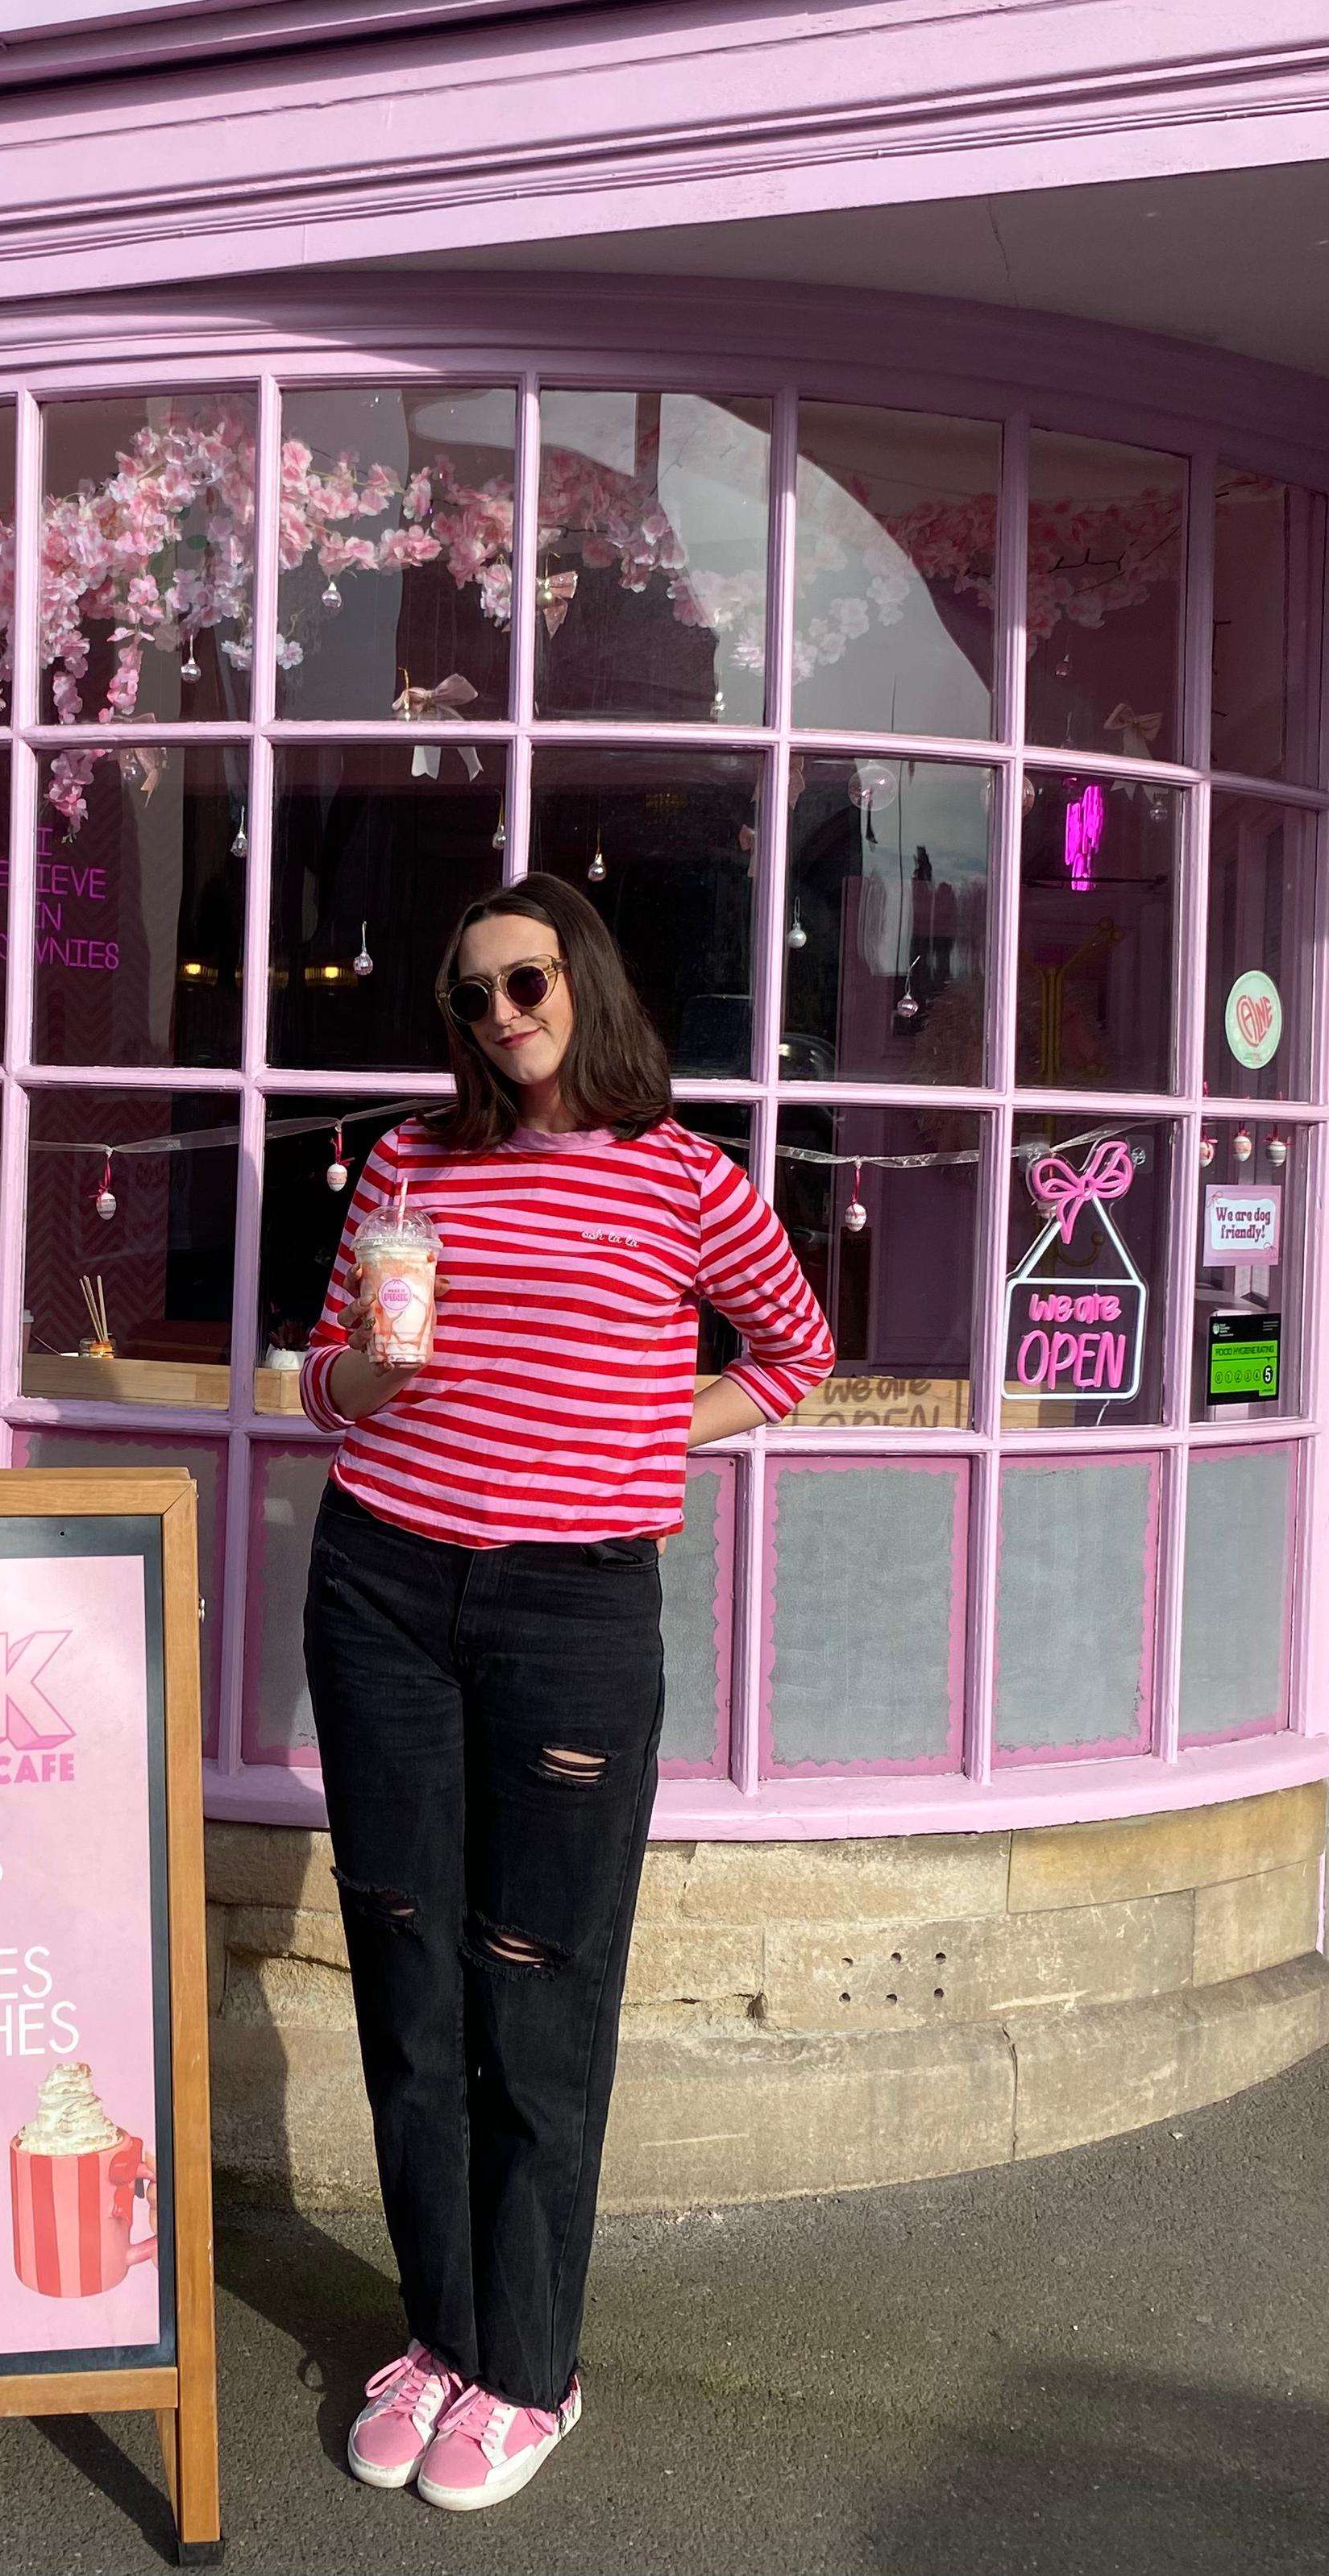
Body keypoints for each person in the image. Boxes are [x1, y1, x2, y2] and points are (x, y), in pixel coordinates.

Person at [298, 873, 835, 2513]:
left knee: (534, 1986)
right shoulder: (408, 1162)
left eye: (523, 979)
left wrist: (637, 1443)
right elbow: (326, 1377)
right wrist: (371, 1370)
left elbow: (791, 1356)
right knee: (405, 1966)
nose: (500, 1013)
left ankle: (529, 2371)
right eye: (469, 995)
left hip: (569, 1608)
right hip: (381, 1581)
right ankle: (441, 2334)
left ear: (581, 980)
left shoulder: (685, 1178)